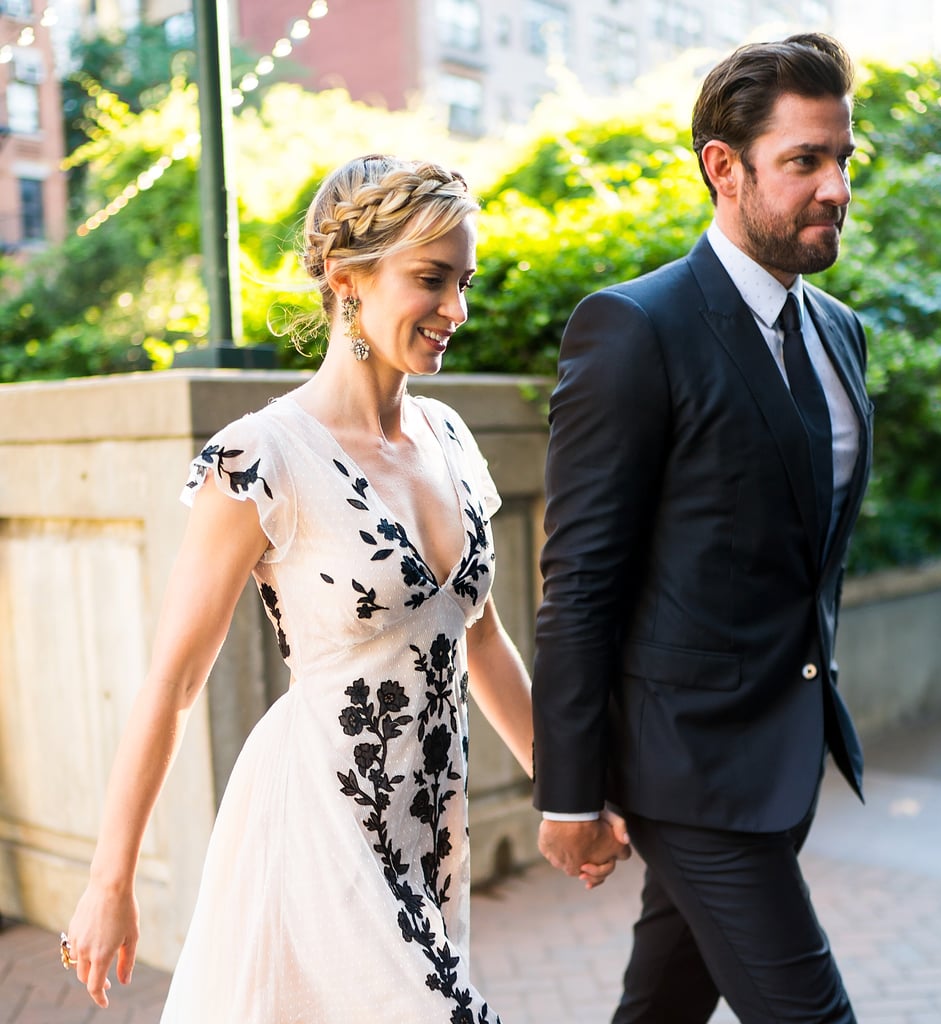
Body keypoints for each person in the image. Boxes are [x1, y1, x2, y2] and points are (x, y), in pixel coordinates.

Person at [62, 155, 554, 1022]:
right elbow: (172, 684)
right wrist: (110, 883)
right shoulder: (262, 458)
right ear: (346, 281)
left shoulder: (449, 436)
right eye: (431, 280)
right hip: (318, 823)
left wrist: (570, 789)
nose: (458, 311)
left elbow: (480, 638)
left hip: (429, 834)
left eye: (464, 282)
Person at [531, 33, 872, 1024]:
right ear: (723, 167)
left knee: (662, 1008)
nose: (835, 187)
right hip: (686, 767)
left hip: (781, 749)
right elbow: (583, 578)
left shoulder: (841, 332)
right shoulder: (635, 328)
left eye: (842, 158)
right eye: (803, 160)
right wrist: (568, 789)